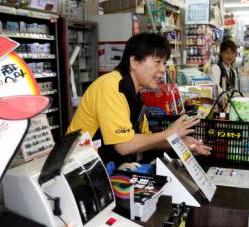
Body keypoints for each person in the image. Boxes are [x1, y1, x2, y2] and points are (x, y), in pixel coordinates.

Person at [67, 33, 211, 165]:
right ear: (134, 61)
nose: (162, 69)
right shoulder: (111, 86)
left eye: (164, 63)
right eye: (157, 62)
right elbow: (124, 145)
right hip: (80, 172)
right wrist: (170, 133)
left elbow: (144, 141)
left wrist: (178, 142)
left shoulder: (135, 93)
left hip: (104, 168)